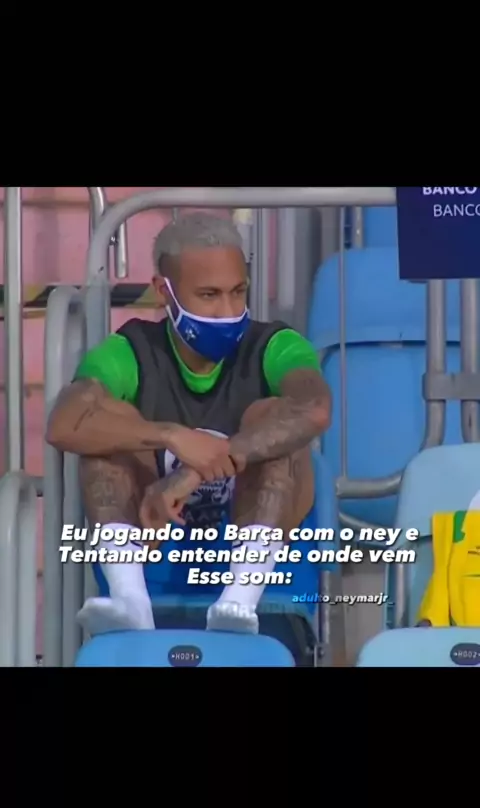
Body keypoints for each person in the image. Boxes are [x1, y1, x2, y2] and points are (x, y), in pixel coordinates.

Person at [46, 212, 331, 635]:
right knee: (105, 431)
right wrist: (171, 436)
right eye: (209, 295)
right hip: (156, 535)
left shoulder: (274, 344)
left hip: (264, 548)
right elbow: (63, 424)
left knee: (276, 421)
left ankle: (238, 603)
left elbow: (315, 408)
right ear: (165, 291)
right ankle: (130, 601)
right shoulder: (130, 350)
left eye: (238, 292)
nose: (228, 311)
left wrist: (199, 468)